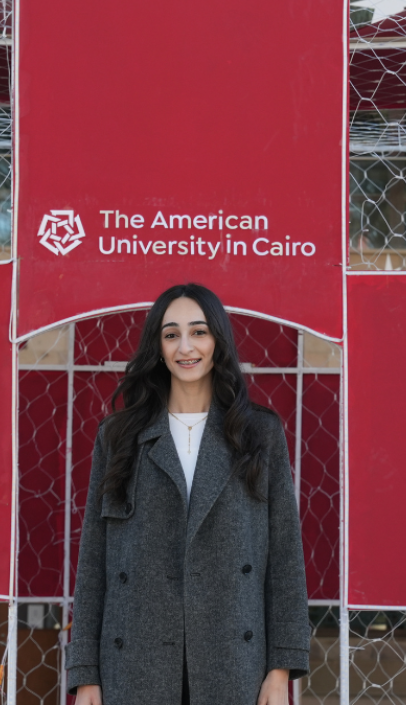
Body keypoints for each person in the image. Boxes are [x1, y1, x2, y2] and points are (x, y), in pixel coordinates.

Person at [67, 284, 310, 705]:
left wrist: (279, 670)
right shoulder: (119, 436)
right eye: (171, 334)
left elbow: (284, 557)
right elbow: (94, 559)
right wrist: (86, 673)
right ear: (157, 347)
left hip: (234, 661)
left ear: (218, 340)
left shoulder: (259, 434)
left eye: (199, 332)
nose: (186, 347)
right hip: (133, 663)